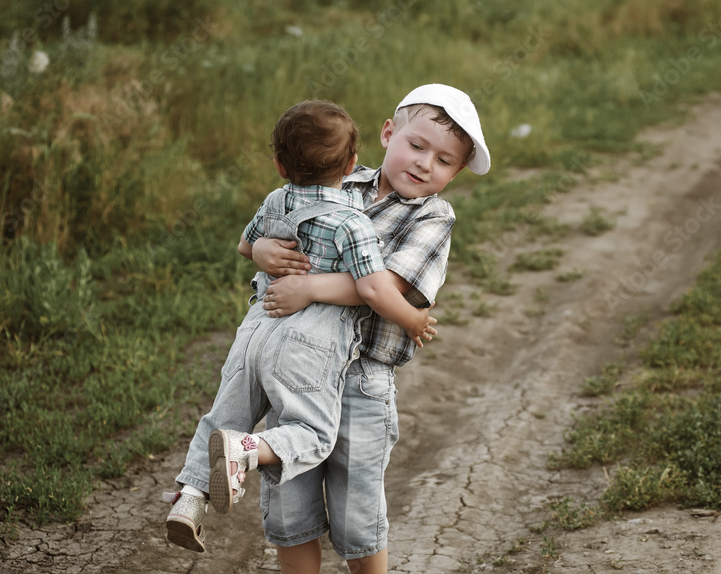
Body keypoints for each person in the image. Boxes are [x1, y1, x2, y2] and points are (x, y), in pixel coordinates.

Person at [164, 99, 438, 553]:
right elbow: (373, 289)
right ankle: (246, 452)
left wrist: (260, 253)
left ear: (277, 165)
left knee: (223, 417)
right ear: (352, 165)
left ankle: (189, 499)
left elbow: (243, 244)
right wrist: (413, 318)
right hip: (309, 343)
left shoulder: (276, 199)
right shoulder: (353, 222)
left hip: (257, 326)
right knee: (312, 434)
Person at [248, 83, 491, 574]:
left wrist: (311, 287)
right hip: (298, 366)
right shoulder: (337, 184)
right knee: (291, 503)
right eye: (417, 146)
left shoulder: (433, 217)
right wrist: (260, 252)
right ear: (387, 133)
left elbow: (390, 288)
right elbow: (274, 229)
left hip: (363, 378)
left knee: (357, 508)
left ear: (457, 172)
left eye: (444, 161)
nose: (425, 164)